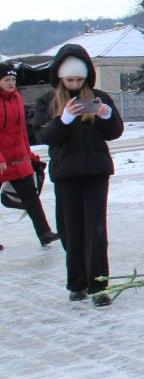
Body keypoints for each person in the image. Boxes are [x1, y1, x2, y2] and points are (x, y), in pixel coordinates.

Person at [35, 45, 123, 305]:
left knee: (96, 230)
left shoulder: (99, 97)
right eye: (69, 80)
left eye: (79, 79)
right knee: (71, 230)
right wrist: (63, 121)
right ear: (60, 78)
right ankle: (77, 283)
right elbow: (42, 136)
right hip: (66, 175)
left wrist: (106, 116)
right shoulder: (48, 100)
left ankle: (98, 286)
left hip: (96, 172)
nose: (74, 85)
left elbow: (115, 132)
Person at [0, 63, 58, 248]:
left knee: (31, 196)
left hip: (17, 157)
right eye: (6, 80)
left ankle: (44, 233)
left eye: (13, 79)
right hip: (0, 158)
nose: (11, 83)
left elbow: (21, 130)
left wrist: (28, 153)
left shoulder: (17, 97)